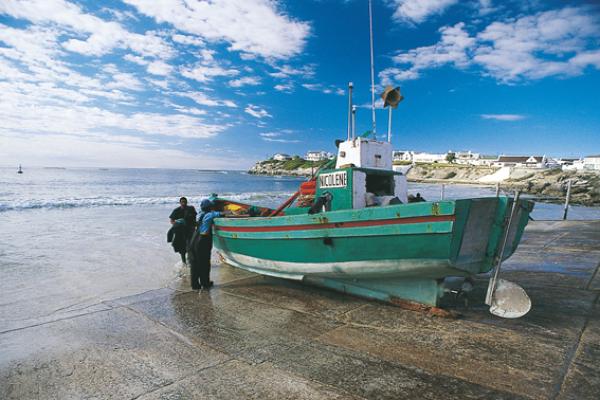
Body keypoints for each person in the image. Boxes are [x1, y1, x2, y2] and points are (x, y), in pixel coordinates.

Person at [168, 197, 197, 264]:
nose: (183, 203)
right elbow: (172, 221)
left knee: (191, 246)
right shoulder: (176, 210)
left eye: (185, 202)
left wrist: (196, 226)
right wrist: (177, 223)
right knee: (182, 248)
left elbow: (194, 219)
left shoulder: (191, 209)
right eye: (182, 202)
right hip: (180, 232)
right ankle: (184, 263)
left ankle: (191, 261)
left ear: (187, 202)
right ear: (180, 202)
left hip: (190, 230)